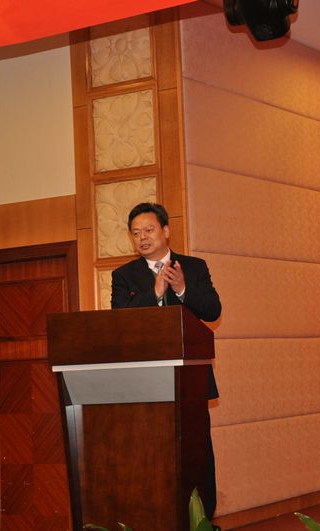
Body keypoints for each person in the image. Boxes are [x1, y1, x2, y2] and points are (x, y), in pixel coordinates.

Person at [111, 202, 221, 519]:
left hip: (190, 380)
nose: (142, 238)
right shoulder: (124, 276)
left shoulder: (194, 267)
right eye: (136, 233)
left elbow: (213, 311)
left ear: (166, 231)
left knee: (196, 452)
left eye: (148, 230)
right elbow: (120, 323)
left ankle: (202, 518)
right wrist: (155, 294)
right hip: (145, 383)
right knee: (151, 454)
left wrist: (182, 288)